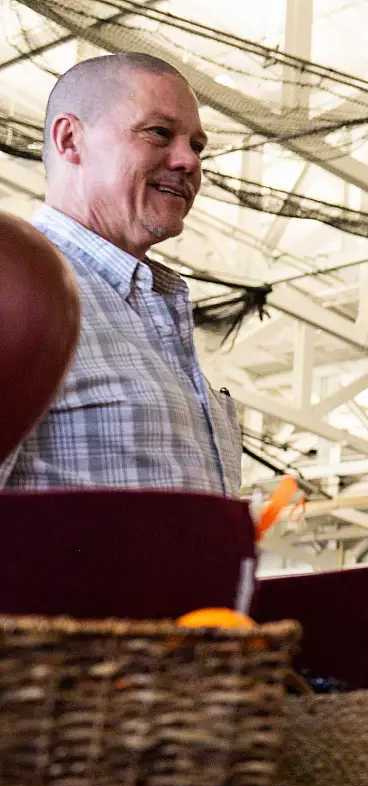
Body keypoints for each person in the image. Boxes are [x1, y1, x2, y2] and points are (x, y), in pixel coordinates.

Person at [0, 53, 241, 494]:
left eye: (198, 146)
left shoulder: (152, 308)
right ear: (70, 140)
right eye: (159, 133)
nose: (189, 161)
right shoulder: (13, 286)